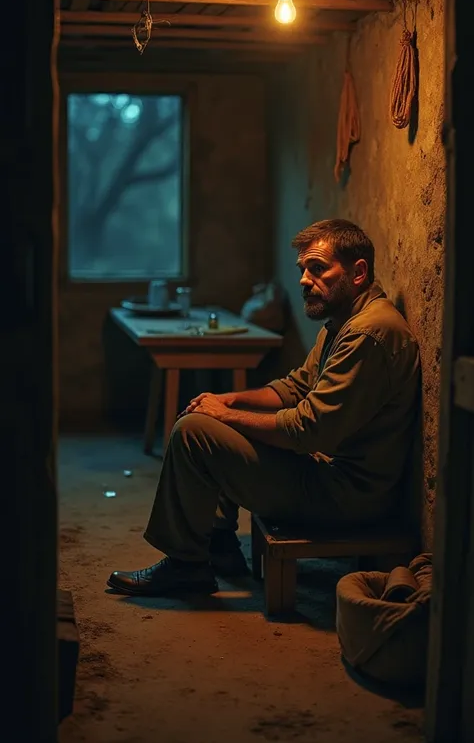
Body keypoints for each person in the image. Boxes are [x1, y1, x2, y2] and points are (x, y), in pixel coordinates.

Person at [108, 219, 421, 597]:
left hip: (347, 495)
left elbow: (308, 430)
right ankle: (220, 546)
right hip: (329, 475)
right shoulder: (343, 321)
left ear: (358, 272)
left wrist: (223, 416)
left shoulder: (370, 334)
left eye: (319, 269)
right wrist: (229, 400)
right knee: (214, 421)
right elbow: (294, 388)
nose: (305, 280)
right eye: (303, 270)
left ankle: (186, 566)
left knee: (194, 432)